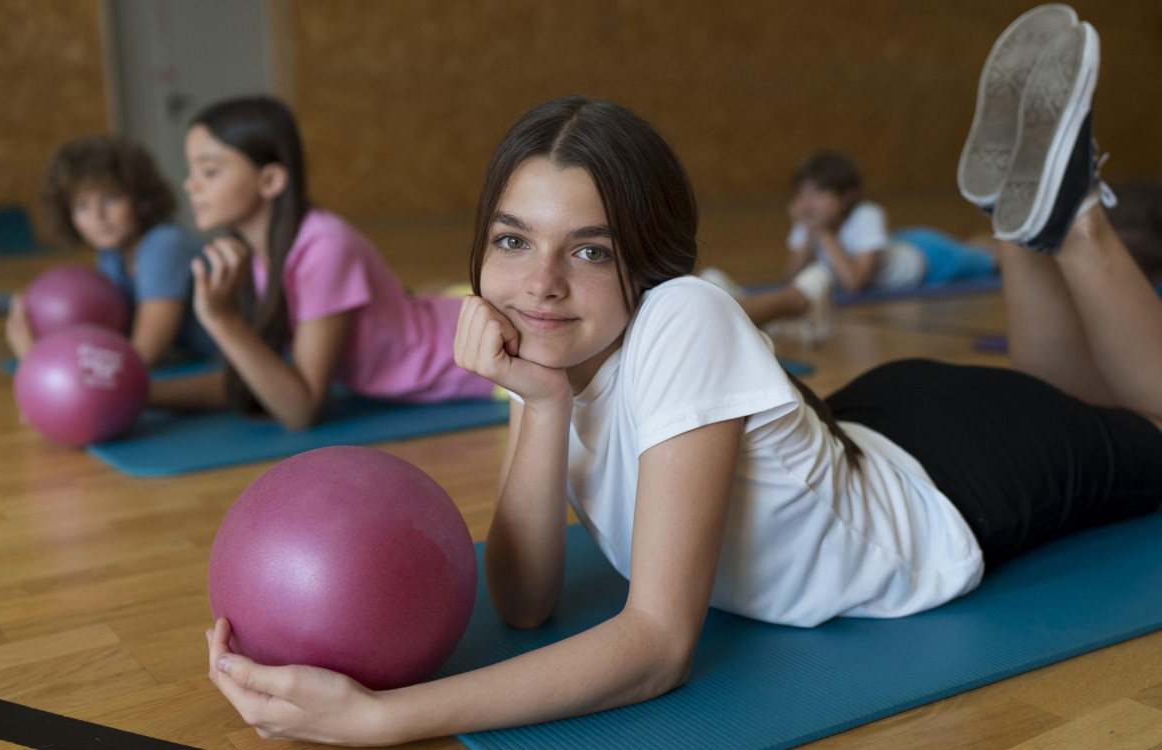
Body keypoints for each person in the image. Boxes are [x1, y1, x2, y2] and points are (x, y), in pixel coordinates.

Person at [204, 14, 1162, 745]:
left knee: (1144, 428)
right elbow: (525, 601)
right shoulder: (545, 351)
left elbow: (658, 648)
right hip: (863, 428)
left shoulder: (683, 316)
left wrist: (383, 718)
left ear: (649, 262)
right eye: (512, 241)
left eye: (589, 250)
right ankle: (1016, 225)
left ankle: (1070, 214)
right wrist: (541, 403)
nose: (539, 284)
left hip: (947, 486)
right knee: (1072, 400)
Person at [149, 96, 494, 430]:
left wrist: (222, 319)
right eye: (190, 170)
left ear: (270, 181)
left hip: (481, 358)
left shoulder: (324, 247)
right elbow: (249, 379)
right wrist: (140, 395)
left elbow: (300, 409)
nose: (189, 185)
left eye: (209, 171)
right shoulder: (253, 253)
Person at [701, 150, 1000, 346]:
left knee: (989, 259)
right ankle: (977, 240)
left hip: (926, 258)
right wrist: (810, 232)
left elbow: (855, 283)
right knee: (971, 245)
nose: (807, 202)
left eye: (818, 193)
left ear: (847, 196)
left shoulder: (867, 215)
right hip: (897, 244)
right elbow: (791, 277)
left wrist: (824, 232)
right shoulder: (812, 223)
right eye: (802, 194)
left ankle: (993, 242)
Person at [5, 135, 213, 366]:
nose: (98, 216)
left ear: (140, 199)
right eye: (82, 206)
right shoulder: (111, 254)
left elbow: (139, 358)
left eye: (111, 199)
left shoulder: (164, 245)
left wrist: (35, 357)